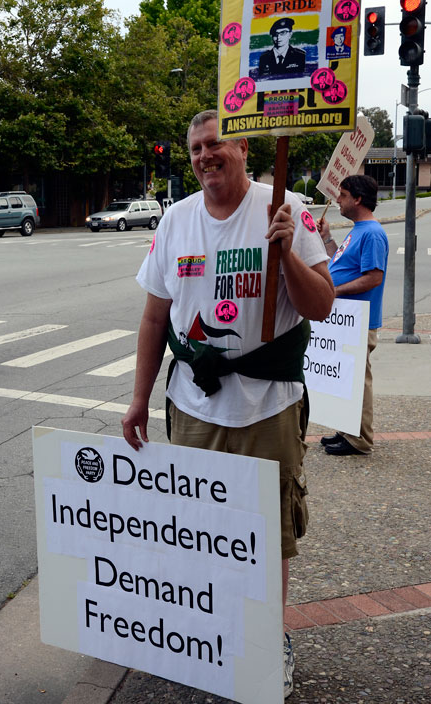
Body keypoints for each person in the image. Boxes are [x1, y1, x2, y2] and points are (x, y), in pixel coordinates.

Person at [122, 109, 334, 698]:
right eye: (195, 149)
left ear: (242, 147)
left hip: (268, 406)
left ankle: (269, 640)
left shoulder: (286, 210)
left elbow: (320, 306)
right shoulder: (176, 222)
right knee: (204, 531)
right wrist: (139, 399)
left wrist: (287, 252)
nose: (204, 156)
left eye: (215, 144)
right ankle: (213, 634)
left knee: (267, 535)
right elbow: (153, 317)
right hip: (194, 405)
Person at [317, 175, 389, 456]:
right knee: (346, 378)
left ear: (357, 199)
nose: (338, 200)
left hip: (359, 320)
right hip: (347, 320)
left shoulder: (372, 233)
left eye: (343, 195)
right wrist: (327, 240)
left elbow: (373, 278)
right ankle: (348, 430)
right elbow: (341, 262)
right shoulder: (358, 230)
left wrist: (334, 291)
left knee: (358, 379)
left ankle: (360, 439)